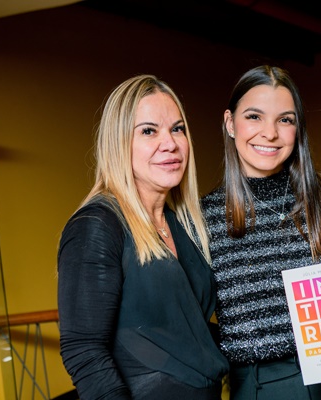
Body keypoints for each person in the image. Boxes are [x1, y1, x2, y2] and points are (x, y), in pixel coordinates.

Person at [57, 74, 229, 399]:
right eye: (149, 131)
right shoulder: (98, 224)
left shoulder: (181, 224)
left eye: (177, 129)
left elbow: (182, 331)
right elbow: (84, 350)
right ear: (119, 142)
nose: (171, 143)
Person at [201, 65, 321, 399]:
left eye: (285, 120)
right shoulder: (203, 218)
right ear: (230, 123)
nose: (270, 133)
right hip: (259, 386)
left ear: (298, 128)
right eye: (254, 117)